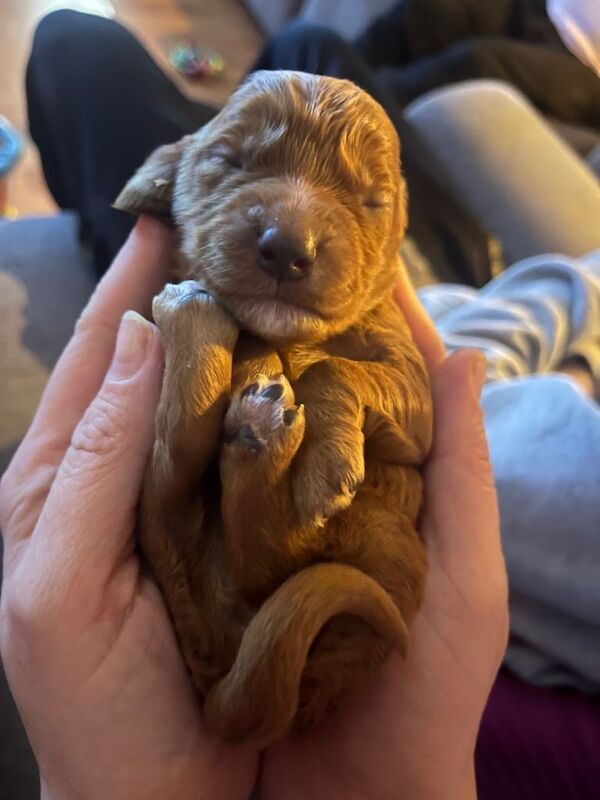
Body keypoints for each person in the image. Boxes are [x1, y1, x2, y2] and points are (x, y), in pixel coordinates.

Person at [0, 215, 508, 800]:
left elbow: (413, 422)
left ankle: (251, 467)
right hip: (218, 608)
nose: (298, 218)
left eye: (359, 198)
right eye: (234, 165)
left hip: (333, 605)